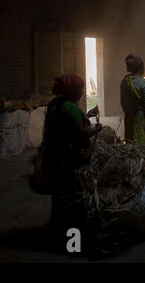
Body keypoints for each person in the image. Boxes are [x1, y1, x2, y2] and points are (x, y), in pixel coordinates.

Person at [41, 74, 102, 251]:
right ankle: (72, 244)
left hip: (54, 158)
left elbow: (68, 125)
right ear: (72, 91)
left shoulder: (55, 104)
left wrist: (87, 115)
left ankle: (56, 234)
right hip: (67, 160)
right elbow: (82, 133)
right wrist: (96, 128)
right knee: (72, 199)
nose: (82, 92)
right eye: (80, 89)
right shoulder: (70, 108)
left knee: (59, 199)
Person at [120, 54, 145, 145]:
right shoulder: (144, 83)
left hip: (129, 119)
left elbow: (123, 102)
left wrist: (129, 112)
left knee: (130, 145)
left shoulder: (125, 82)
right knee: (141, 148)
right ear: (141, 68)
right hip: (140, 120)